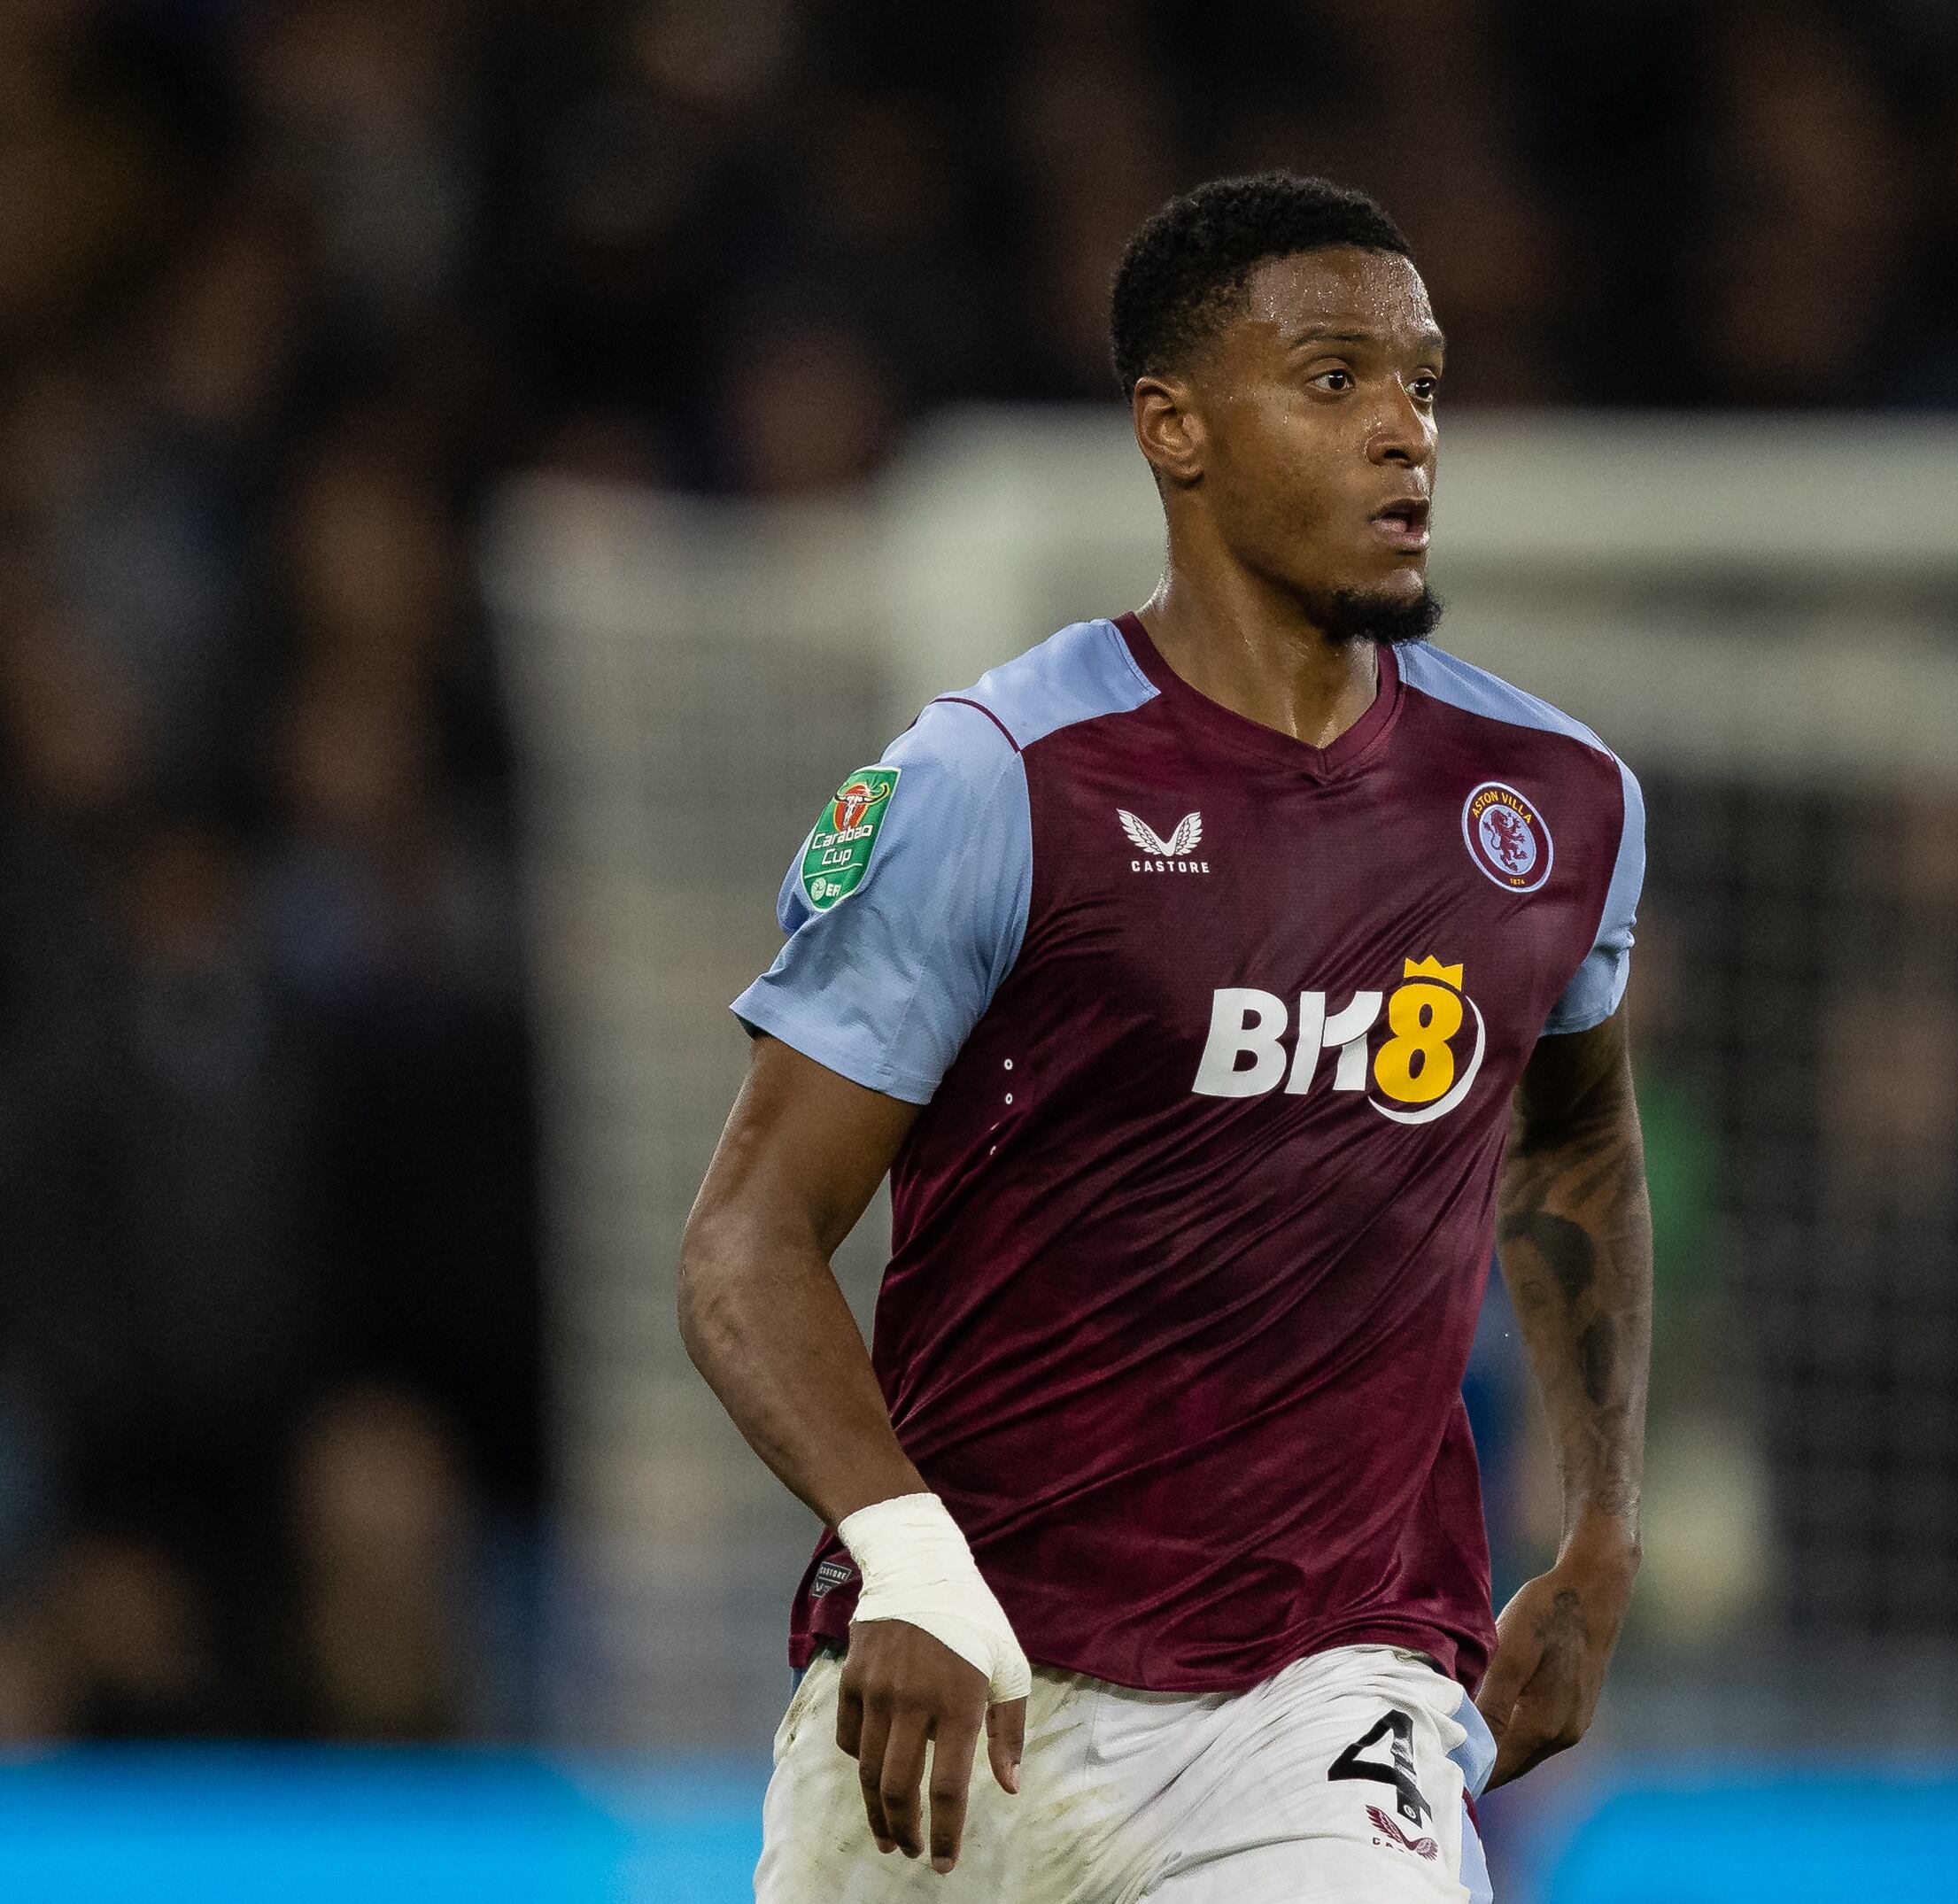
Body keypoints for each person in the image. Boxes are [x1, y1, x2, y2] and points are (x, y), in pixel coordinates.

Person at [679, 173, 1651, 1902]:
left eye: (1422, 384)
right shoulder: (996, 782)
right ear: (1172, 428)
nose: (1404, 434)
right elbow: (746, 1239)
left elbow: (1571, 1139)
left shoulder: (1550, 804)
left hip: (1329, 1690)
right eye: (1334, 379)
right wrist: (905, 1558)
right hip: (968, 1677)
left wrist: (1595, 1529)